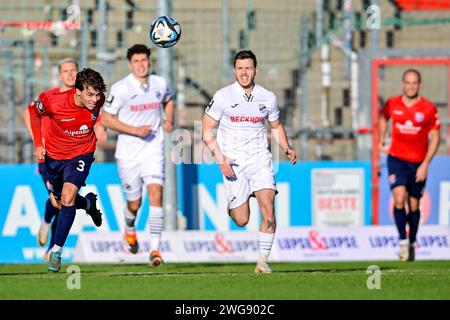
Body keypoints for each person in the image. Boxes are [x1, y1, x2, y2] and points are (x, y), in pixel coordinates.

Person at [202, 50, 297, 273]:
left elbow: (275, 126)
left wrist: (286, 147)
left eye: (248, 68)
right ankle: (233, 206)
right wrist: (219, 155)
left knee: (268, 210)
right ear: (235, 70)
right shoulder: (223, 96)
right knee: (242, 219)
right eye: (240, 68)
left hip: (260, 160)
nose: (244, 73)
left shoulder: (268, 97)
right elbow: (206, 129)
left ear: (256, 70)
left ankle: (262, 262)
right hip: (233, 163)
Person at [23, 58, 107, 262]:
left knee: (67, 198)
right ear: (78, 90)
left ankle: (56, 251)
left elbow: (96, 119)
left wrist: (100, 128)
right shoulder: (53, 100)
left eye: (97, 95)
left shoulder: (98, 99)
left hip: (81, 154)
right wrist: (38, 144)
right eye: (90, 94)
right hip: (52, 156)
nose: (95, 99)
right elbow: (32, 112)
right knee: (58, 200)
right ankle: (87, 204)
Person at [101, 44, 174, 267]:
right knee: (135, 203)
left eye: (144, 60)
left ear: (150, 62)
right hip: (128, 153)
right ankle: (129, 228)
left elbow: (168, 100)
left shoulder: (160, 83)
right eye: (136, 61)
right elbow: (106, 118)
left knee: (156, 194)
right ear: (130, 64)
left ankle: (155, 249)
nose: (141, 65)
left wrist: (168, 119)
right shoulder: (121, 88)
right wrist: (135, 130)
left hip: (153, 148)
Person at [379, 69, 440, 262]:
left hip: (418, 163)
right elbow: (383, 118)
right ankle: (403, 242)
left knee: (413, 205)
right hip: (396, 159)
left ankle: (412, 241)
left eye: (414, 83)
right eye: (407, 82)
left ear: (420, 85)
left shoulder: (428, 108)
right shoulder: (392, 103)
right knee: (399, 198)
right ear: (402, 84)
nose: (411, 86)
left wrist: (425, 164)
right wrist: (382, 138)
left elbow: (436, 136)